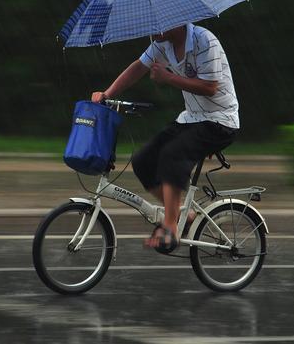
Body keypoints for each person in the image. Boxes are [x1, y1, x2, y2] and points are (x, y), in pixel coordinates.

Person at [91, 22, 239, 250]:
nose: (152, 30)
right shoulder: (163, 44)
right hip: (191, 118)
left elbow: (210, 87)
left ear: (177, 22)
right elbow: (138, 67)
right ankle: (184, 215)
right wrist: (107, 93)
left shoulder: (204, 40)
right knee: (143, 161)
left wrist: (168, 78)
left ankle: (170, 226)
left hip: (220, 121)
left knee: (172, 155)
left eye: (158, 25)